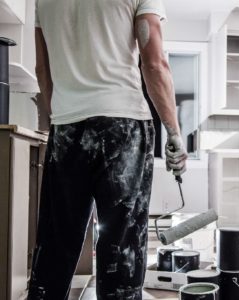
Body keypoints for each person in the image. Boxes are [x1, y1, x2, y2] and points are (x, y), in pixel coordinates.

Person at [28, 0, 188, 299]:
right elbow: (154, 63)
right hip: (123, 125)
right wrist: (174, 132)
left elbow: (42, 69)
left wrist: (60, 120)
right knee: (121, 246)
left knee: (56, 242)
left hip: (66, 127)